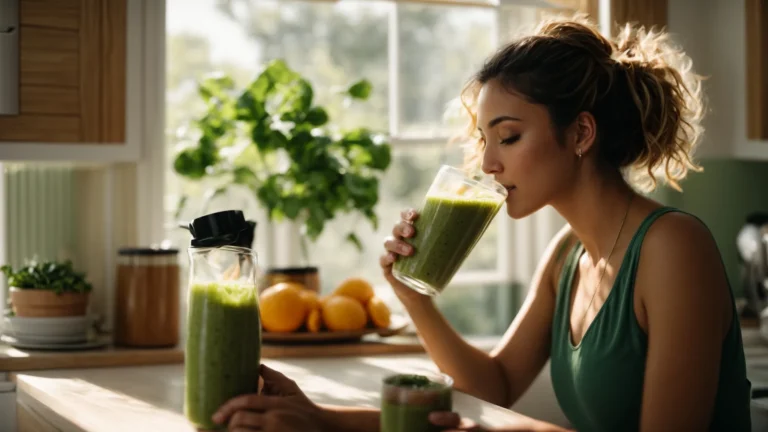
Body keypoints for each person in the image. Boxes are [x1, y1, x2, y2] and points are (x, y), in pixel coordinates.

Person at [210, 14, 752, 432]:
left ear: (582, 134)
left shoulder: (673, 247)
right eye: (485, 140)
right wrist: (412, 299)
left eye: (509, 136)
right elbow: (492, 388)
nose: (489, 163)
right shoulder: (569, 255)